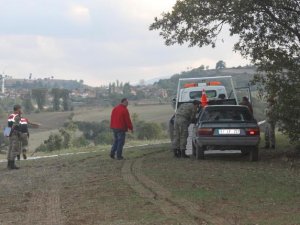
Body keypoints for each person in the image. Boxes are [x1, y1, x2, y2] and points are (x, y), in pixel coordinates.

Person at [7, 104, 22, 169]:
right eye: (20, 109)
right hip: (14, 134)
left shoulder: (10, 115)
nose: (20, 110)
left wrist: (8, 133)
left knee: (10, 149)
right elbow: (15, 126)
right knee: (14, 149)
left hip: (9, 133)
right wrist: (18, 133)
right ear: (18, 109)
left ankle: (9, 164)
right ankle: (12, 165)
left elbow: (8, 125)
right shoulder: (17, 116)